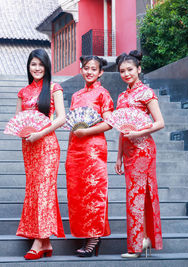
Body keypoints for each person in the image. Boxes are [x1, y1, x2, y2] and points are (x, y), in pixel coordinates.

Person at [15, 48, 66, 260]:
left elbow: (61, 118)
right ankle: (46, 242)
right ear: (29, 67)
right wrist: (25, 131)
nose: (37, 68)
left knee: (45, 190)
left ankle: (38, 240)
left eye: (40, 64)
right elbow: (17, 120)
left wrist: (40, 133)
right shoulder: (23, 92)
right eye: (33, 64)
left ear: (47, 67)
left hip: (47, 145)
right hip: (29, 147)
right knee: (35, 191)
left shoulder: (54, 88)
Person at [114, 50, 164, 258]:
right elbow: (120, 127)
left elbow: (160, 123)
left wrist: (138, 132)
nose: (126, 74)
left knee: (137, 196)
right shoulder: (121, 96)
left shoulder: (147, 93)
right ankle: (143, 238)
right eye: (122, 71)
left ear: (139, 69)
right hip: (127, 150)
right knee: (133, 195)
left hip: (143, 149)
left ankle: (137, 244)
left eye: (130, 69)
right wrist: (118, 156)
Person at [65, 55, 114, 257]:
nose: (89, 72)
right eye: (86, 68)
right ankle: (85, 233)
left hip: (94, 148)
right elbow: (72, 122)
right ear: (81, 70)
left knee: (94, 192)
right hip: (75, 148)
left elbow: (110, 123)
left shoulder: (103, 94)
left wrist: (87, 132)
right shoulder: (76, 95)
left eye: (93, 69)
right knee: (77, 192)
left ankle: (94, 237)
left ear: (100, 72)